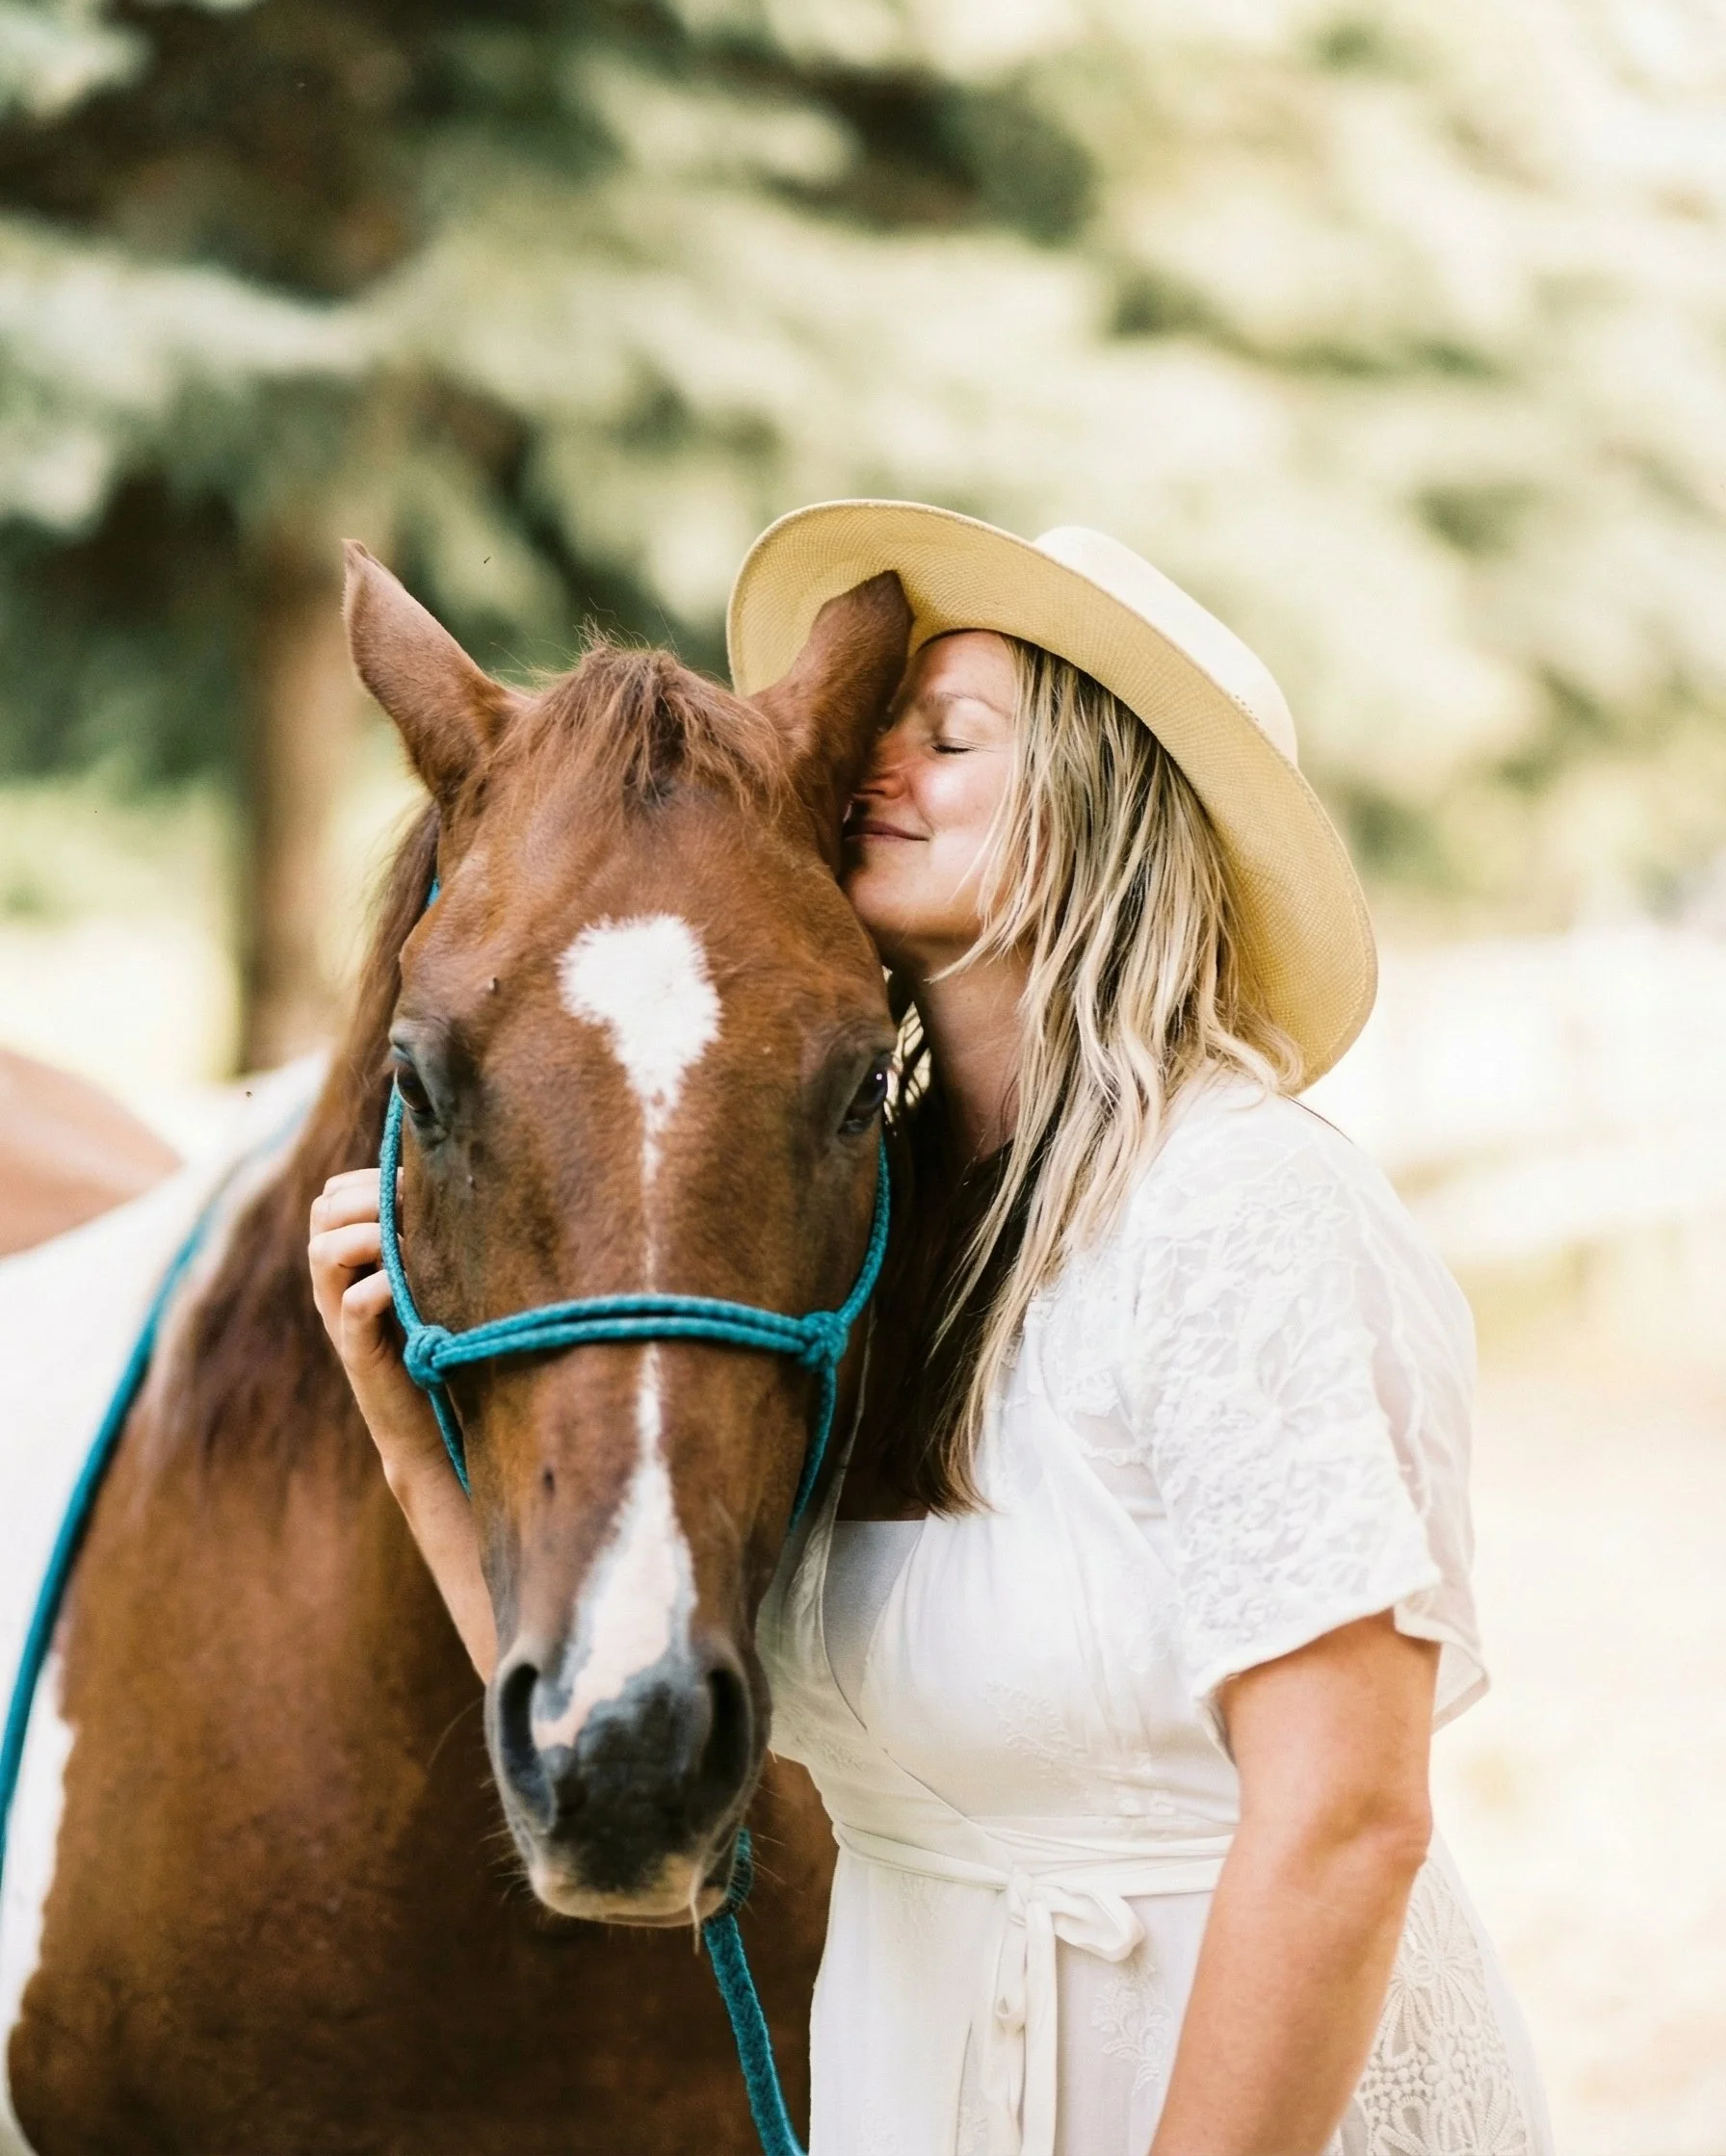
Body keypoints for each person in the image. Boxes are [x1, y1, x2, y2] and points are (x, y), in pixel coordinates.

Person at [310, 504, 1553, 2156]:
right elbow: (652, 1818)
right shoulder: (875, 1254)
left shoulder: (1239, 1212)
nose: (869, 758)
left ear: (1112, 813)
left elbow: (1348, 1823)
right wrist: (410, 1442)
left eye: (950, 734)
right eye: (886, 723)